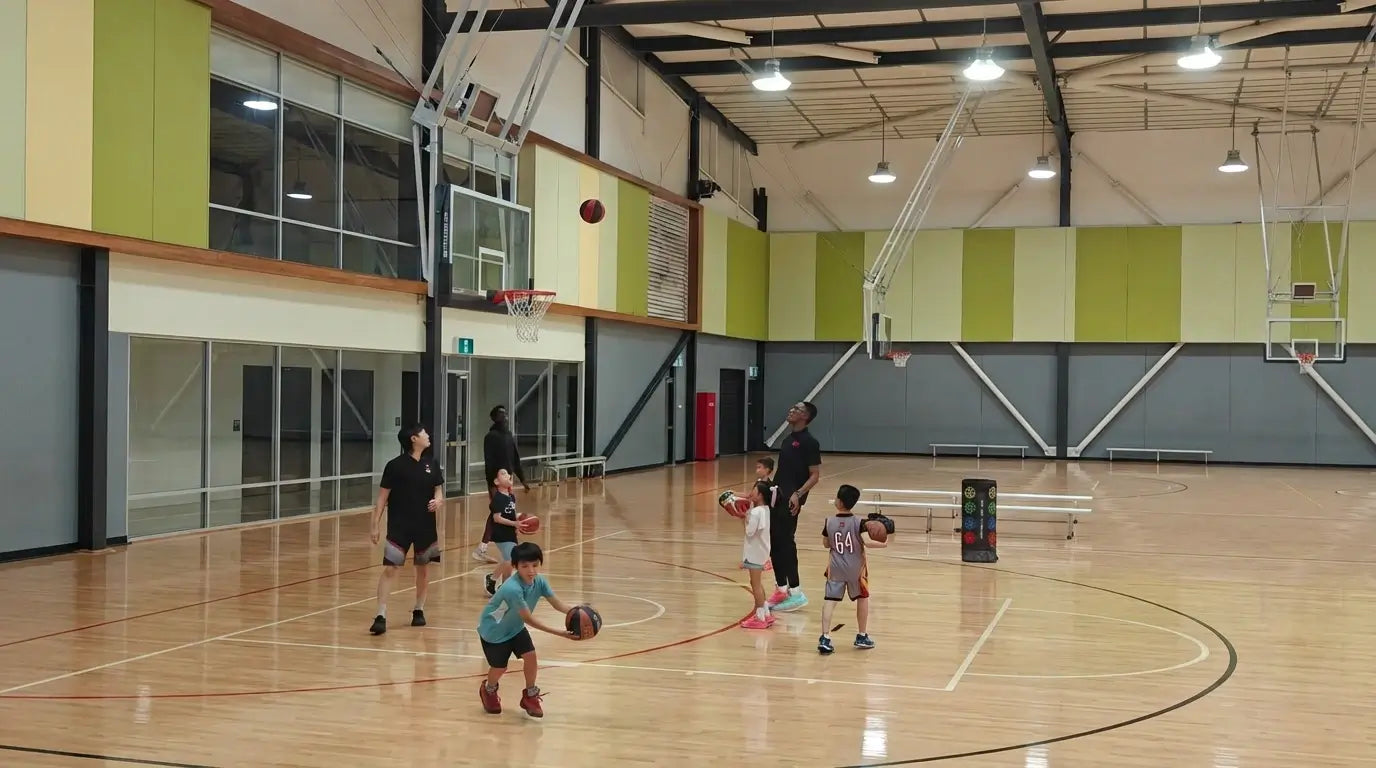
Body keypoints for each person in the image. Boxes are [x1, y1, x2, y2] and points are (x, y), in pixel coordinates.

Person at [476, 542, 577, 718]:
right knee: (499, 668)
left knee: (531, 657)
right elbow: (528, 619)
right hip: (494, 632)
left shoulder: (540, 581)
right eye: (525, 566)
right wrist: (560, 633)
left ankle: (530, 695)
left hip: (514, 628)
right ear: (515, 567)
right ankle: (489, 689)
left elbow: (557, 604)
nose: (531, 570)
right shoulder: (512, 589)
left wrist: (578, 610)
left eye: (535, 565)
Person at [369, 424, 445, 636]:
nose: (428, 436)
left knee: (423, 568)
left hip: (425, 525)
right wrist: (375, 525)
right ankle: (381, 614)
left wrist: (438, 502)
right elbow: (382, 498)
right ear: (413, 439)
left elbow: (439, 491)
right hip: (399, 526)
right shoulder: (395, 466)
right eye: (424, 433)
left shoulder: (432, 464)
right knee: (391, 568)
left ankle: (419, 609)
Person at [817, 484, 885, 654]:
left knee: (829, 602)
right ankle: (862, 635)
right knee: (862, 599)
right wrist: (884, 543)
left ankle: (825, 637)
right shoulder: (859, 523)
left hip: (836, 568)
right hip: (856, 569)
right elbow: (868, 542)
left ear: (838, 501)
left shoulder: (829, 522)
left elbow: (826, 544)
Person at [768, 401, 821, 613]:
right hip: (776, 497)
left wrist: (798, 495)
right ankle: (781, 589)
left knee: (786, 543)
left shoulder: (810, 442)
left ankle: (796, 592)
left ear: (806, 417)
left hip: (791, 500)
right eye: (792, 408)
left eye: (797, 409)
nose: (791, 410)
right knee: (773, 542)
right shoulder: (788, 440)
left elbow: (815, 475)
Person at [473, 406, 530, 563]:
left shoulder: (508, 435)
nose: (504, 417)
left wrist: (523, 479)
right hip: (496, 482)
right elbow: (489, 462)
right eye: (500, 414)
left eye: (505, 414)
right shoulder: (490, 436)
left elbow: (515, 459)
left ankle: (489, 547)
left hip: (507, 481)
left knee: (505, 511)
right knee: (496, 514)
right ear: (494, 417)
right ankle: (482, 548)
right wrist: (493, 484)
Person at [739, 480, 775, 630]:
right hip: (763, 551)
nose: (751, 492)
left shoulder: (755, 512)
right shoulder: (765, 509)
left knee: (755, 584)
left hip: (755, 552)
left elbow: (749, 531)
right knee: (758, 583)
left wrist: (741, 518)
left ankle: (760, 617)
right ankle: (766, 613)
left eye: (754, 490)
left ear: (759, 494)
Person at [485, 469, 521, 596]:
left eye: (508, 473)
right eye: (503, 474)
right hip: (501, 533)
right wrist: (514, 523)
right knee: (509, 559)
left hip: (511, 532)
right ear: (496, 481)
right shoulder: (498, 498)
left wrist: (518, 523)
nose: (508, 475)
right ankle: (494, 580)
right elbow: (497, 518)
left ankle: (503, 586)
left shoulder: (511, 496)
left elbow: (512, 513)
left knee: (510, 562)